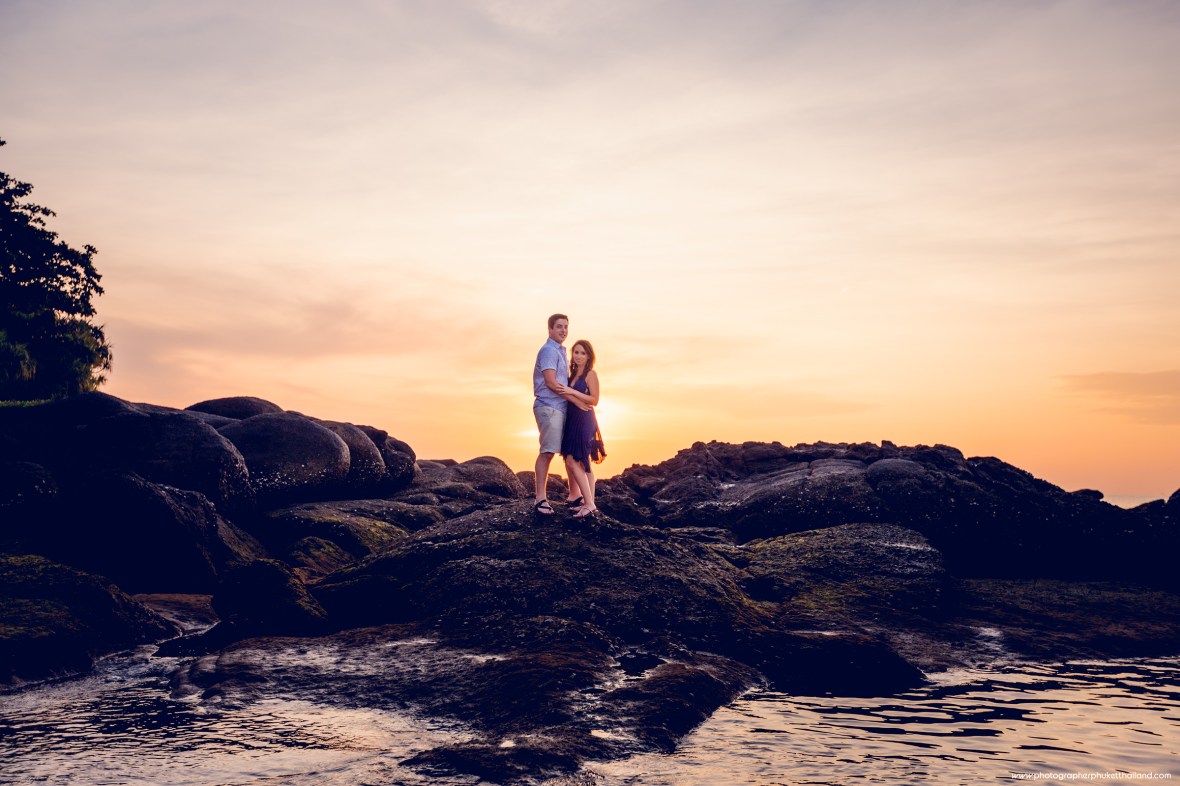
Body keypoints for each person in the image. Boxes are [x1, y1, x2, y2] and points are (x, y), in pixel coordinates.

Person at [557, 339, 602, 518]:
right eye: (576, 352)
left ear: (589, 356)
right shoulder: (571, 376)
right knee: (582, 463)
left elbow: (595, 400)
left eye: (583, 353)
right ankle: (586, 501)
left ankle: (589, 504)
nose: (579, 356)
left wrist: (572, 392)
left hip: (584, 419)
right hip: (571, 419)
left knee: (573, 460)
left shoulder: (591, 374)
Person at [532, 313, 569, 515]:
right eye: (559, 327)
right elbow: (551, 382)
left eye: (565, 327)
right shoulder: (548, 351)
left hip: (560, 408)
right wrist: (576, 398)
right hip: (549, 406)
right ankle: (540, 499)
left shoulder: (560, 351)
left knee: (566, 453)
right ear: (550, 329)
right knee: (547, 452)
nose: (563, 330)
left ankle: (575, 495)